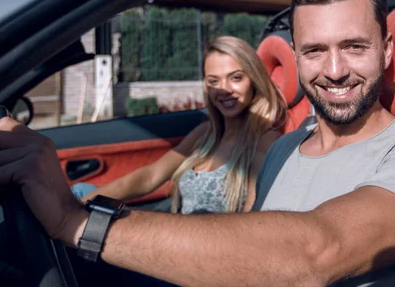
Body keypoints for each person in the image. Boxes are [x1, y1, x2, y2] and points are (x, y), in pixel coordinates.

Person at [0, 0, 395, 287]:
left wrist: (74, 221)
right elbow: (248, 256)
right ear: (296, 57)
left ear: (386, 51)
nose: (336, 70)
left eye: (355, 47)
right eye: (316, 51)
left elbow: (317, 251)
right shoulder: (288, 151)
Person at [73, 36, 287, 214]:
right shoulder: (206, 133)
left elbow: (253, 214)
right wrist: (81, 207)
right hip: (173, 231)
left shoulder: (265, 139)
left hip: (199, 253)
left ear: (254, 81)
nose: (223, 89)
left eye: (236, 78)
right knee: (81, 191)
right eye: (214, 81)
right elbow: (150, 176)